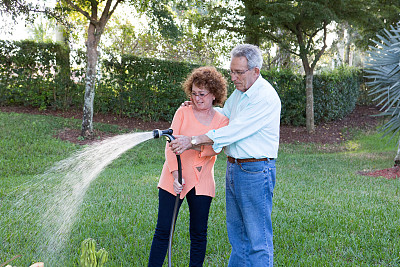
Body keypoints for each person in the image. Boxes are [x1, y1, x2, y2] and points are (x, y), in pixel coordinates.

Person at [170, 44, 281, 266]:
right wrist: (199, 106)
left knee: (257, 239)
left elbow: (232, 130)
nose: (233, 77)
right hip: (235, 168)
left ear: (255, 71)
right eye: (231, 71)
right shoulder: (240, 95)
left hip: (256, 171)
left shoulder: (264, 97)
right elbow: (224, 114)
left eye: (238, 72)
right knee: (238, 236)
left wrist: (193, 140)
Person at [148, 66, 229, 266]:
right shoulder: (183, 111)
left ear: (214, 95)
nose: (197, 98)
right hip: (172, 179)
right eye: (193, 93)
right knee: (163, 230)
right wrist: (176, 176)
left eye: (202, 94)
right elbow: (170, 145)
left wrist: (192, 143)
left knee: (199, 234)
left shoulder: (222, 120)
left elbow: (216, 149)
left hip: (202, 183)